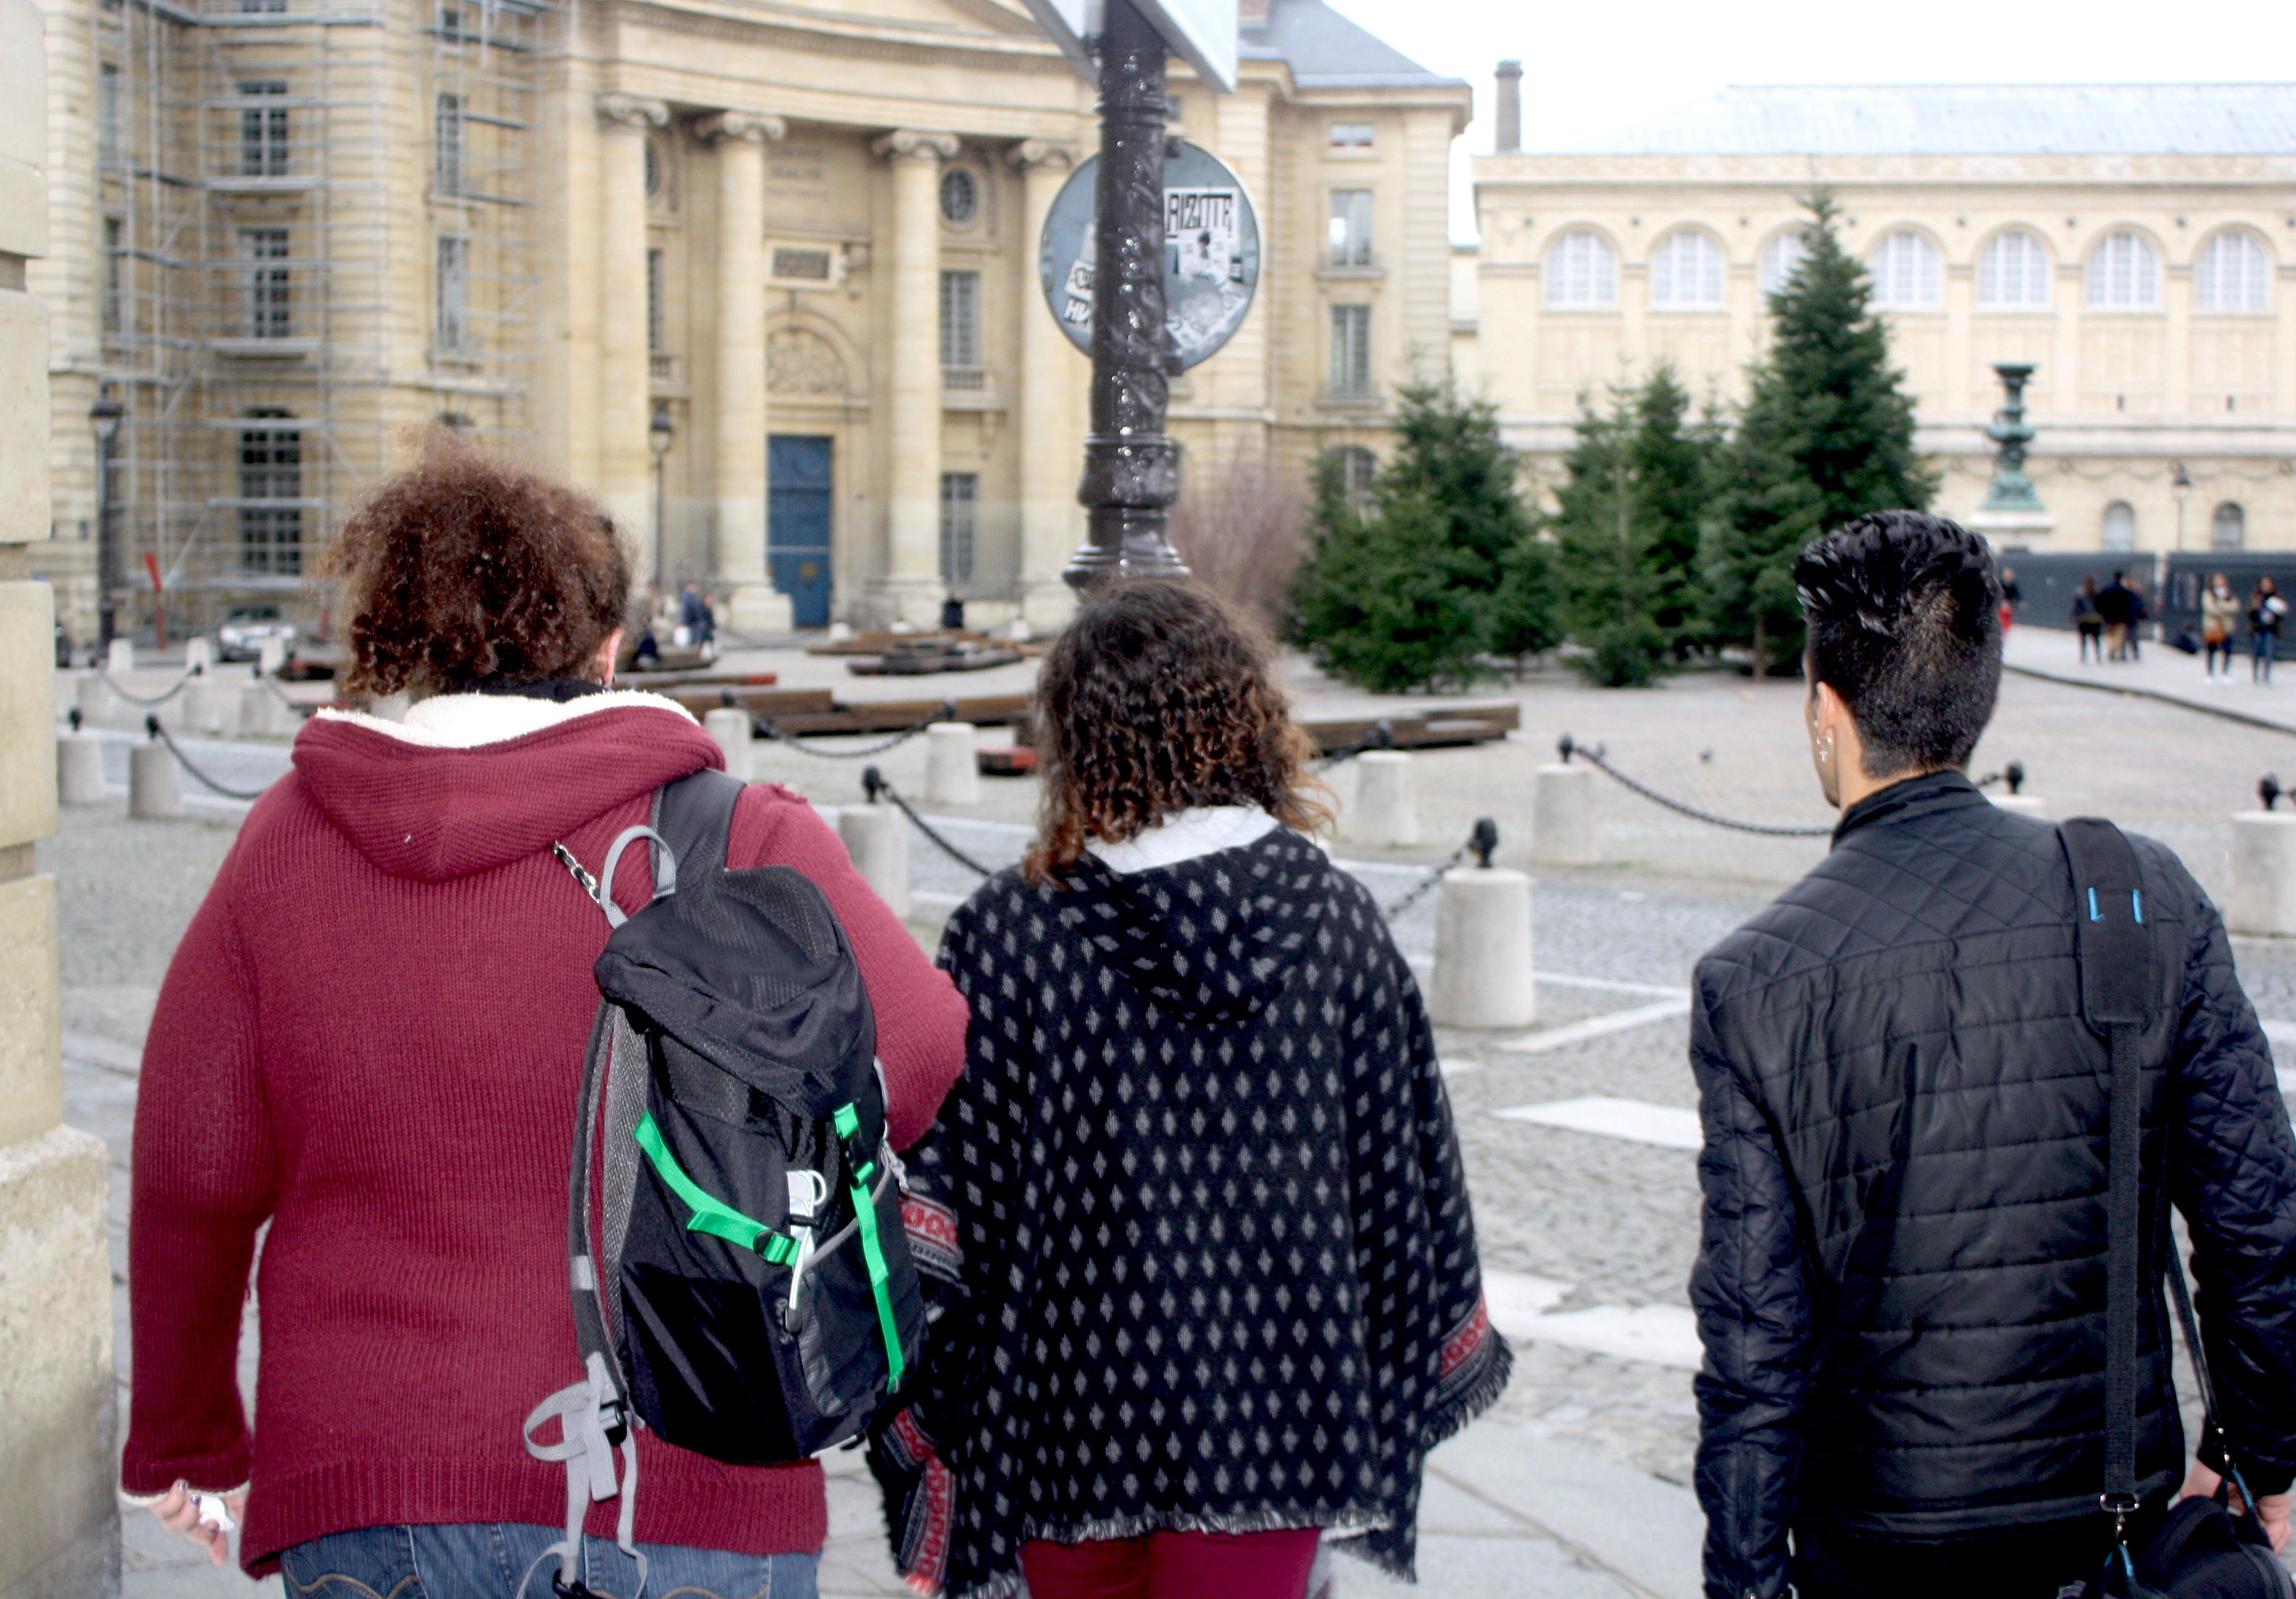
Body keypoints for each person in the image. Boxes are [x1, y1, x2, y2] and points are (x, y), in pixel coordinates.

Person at [120, 434, 969, 1595]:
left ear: (403, 640)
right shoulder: (737, 832)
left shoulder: (290, 840)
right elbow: (922, 1056)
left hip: (374, 1482)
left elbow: (190, 1177)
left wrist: (185, 1441)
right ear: (610, 644)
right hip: (690, 1476)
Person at [1688, 511, 2296, 1599]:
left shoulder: (1754, 978)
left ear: (1825, 712)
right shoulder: (2140, 894)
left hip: (1873, 1543)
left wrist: (1743, 1583)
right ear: (1976, 697)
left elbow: (1752, 1345)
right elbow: (2251, 1214)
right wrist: (2257, 1442)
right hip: (2104, 1520)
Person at [869, 581, 1508, 1599]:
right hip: (1276, 1430)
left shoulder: (1012, 932)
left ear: (1080, 738)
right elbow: (1403, 1200)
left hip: (1062, 1422)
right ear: (1244, 722)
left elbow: (955, 1214)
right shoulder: (1337, 926)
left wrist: (930, 1412)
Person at [2249, 575, 2289, 684]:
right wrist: (2254, 607)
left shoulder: (2276, 598)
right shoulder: (2257, 597)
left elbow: (2282, 613)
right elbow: (2250, 614)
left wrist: (2279, 612)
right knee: (2257, 651)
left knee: (2269, 651)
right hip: (2258, 628)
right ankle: (2255, 674)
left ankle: (2266, 675)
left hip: (2270, 629)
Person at [2202, 572, 2240, 683]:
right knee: (2211, 650)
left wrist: (2219, 604)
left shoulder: (2229, 594)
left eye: (2222, 580)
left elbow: (2234, 607)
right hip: (2213, 627)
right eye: (2217, 580)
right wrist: (2223, 610)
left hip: (2227, 627)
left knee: (2227, 650)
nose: (2220, 582)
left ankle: (2225, 674)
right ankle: (2210, 675)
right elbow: (2209, 608)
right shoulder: (2209, 594)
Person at [2095, 570, 2135, 661]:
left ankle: (2112, 649)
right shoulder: (2125, 591)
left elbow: (2099, 602)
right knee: (2119, 636)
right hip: (2121, 618)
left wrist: (2102, 613)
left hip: (2109, 617)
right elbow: (2129, 604)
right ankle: (2116, 650)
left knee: (2110, 635)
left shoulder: (2106, 589)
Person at [2072, 574, 2104, 663]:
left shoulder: (2081, 594)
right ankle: (2089, 656)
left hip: (2090, 620)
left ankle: (2092, 656)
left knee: (2090, 639)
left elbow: (2076, 607)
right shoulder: (2096, 593)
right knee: (2090, 640)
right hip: (2089, 620)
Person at [2123, 572, 2148, 659]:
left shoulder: (2134, 594)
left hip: (2130, 618)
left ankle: (2133, 653)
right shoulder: (2131, 594)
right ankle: (2126, 653)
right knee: (2128, 636)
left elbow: (2138, 605)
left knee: (2131, 636)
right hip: (2129, 617)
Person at [1999, 565, 2020, 633]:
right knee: (2001, 616)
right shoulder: (2001, 583)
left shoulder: (2012, 585)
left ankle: (2006, 627)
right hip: (2002, 603)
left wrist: (2019, 600)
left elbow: (2016, 594)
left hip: (2009, 604)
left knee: (2007, 616)